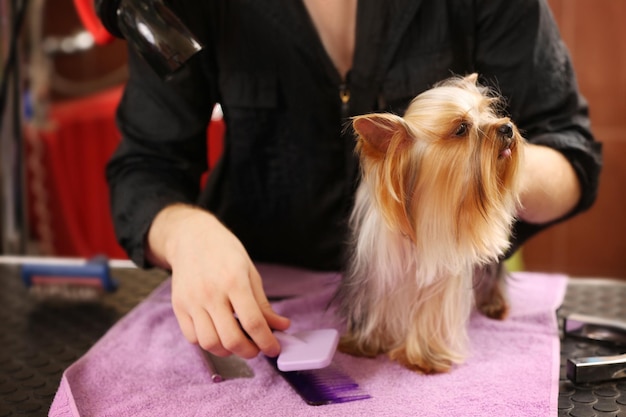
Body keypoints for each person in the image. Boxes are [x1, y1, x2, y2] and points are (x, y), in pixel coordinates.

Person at [106, 0, 602, 361]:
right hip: (257, 295)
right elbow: (146, 165)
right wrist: (183, 234)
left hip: (445, 277)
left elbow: (573, 154)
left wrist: (483, 173)